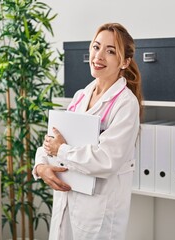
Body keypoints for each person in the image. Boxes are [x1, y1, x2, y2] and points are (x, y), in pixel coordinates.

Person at [33, 22, 143, 240]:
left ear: (124, 61)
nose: (99, 56)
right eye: (96, 47)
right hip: (67, 200)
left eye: (110, 51)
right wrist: (41, 166)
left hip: (98, 212)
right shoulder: (81, 96)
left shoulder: (125, 104)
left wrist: (62, 151)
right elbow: (52, 140)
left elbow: (106, 160)